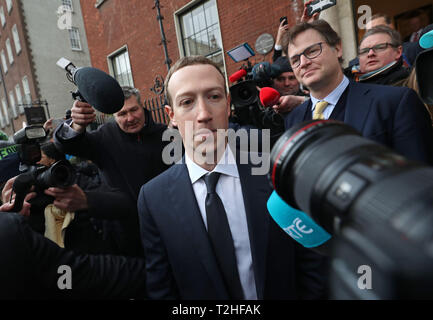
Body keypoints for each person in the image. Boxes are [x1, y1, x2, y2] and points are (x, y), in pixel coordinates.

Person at [138, 55, 328, 300]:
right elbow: (162, 288)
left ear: (228, 104)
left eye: (214, 97)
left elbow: (313, 262)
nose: (203, 114)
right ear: (171, 115)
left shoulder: (276, 174)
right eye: (187, 102)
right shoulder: (153, 198)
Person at [284, 20, 433, 165]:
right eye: (295, 60)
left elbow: (420, 179)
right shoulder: (293, 119)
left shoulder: (395, 102)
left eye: (313, 51)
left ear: (337, 48)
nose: (304, 63)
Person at [54, 86, 171, 203]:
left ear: (142, 106)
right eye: (122, 114)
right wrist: (76, 126)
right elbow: (67, 146)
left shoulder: (167, 134)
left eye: (134, 110)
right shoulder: (103, 137)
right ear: (114, 116)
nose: (130, 118)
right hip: (126, 218)